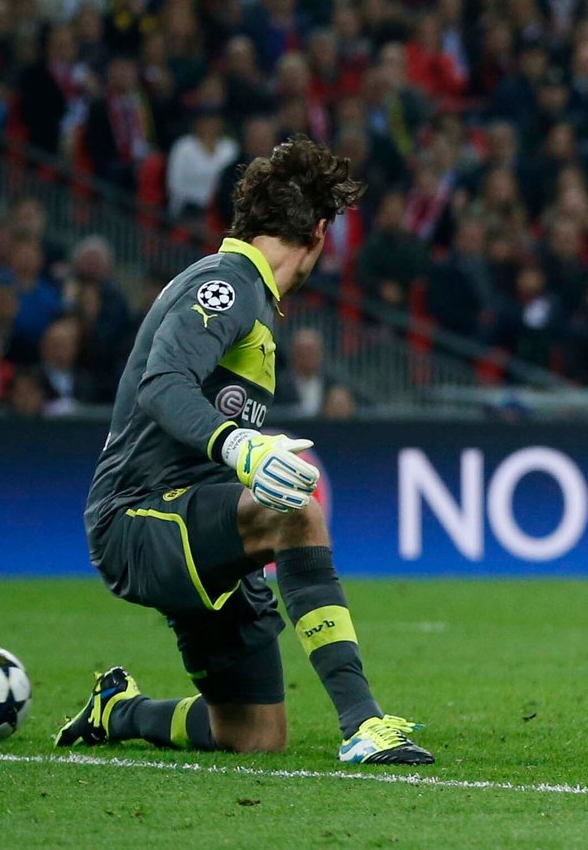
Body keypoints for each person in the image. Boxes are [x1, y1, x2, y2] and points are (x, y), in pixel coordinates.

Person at [54, 137, 432, 765]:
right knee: (295, 508)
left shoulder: (255, 301)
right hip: (139, 518)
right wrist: (242, 449)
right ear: (317, 232)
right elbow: (163, 385)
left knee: (254, 733)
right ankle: (363, 723)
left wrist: (241, 453)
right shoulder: (224, 286)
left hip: (193, 519)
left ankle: (118, 711)